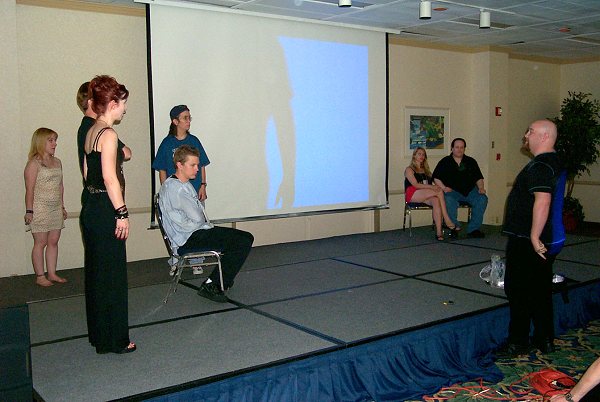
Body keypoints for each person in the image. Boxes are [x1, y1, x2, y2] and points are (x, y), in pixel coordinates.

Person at [497, 119, 565, 357]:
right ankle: (544, 339)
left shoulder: (541, 165)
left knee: (518, 289)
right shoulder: (554, 161)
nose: (526, 135)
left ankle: (518, 341)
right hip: (545, 237)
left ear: (545, 136)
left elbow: (543, 200)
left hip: (528, 239)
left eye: (531, 131)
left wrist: (534, 236)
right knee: (539, 289)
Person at [81, 75, 136, 354]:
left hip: (92, 208)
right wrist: (122, 213)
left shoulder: (91, 131)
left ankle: (100, 336)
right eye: (123, 103)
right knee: (113, 276)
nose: (125, 109)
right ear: (113, 104)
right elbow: (109, 178)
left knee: (97, 275)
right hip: (106, 211)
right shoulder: (109, 134)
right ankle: (116, 340)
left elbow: (86, 173)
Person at [159, 145, 254, 303]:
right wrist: (203, 223)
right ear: (180, 165)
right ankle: (212, 284)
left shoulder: (180, 183)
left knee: (245, 237)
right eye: (193, 165)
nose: (197, 169)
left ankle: (222, 279)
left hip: (194, 232)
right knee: (242, 241)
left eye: (197, 165)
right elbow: (197, 218)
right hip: (188, 237)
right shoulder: (176, 189)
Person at [24, 128, 68, 287]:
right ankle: (40, 276)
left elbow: (60, 186)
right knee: (40, 242)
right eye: (51, 140)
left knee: (53, 241)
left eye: (55, 140)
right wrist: (29, 211)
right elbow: (29, 189)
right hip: (40, 208)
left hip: (55, 208)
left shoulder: (57, 162)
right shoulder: (33, 164)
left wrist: (62, 207)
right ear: (41, 142)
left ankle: (52, 273)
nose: (55, 144)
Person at [432, 138, 488, 238]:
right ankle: (454, 227)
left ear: (464, 149)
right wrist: (444, 188)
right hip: (452, 191)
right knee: (448, 200)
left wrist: (481, 188)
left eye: (462, 147)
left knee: (482, 199)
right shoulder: (445, 161)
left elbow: (478, 178)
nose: (459, 149)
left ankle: (473, 229)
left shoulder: (471, 161)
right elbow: (436, 178)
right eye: (457, 147)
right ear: (452, 148)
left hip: (470, 191)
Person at [153, 105, 210, 201]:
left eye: (189, 118)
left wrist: (203, 185)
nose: (188, 121)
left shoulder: (194, 141)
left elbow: (202, 165)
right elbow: (162, 169)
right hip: (175, 193)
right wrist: (165, 191)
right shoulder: (167, 143)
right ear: (175, 121)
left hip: (195, 191)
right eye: (185, 118)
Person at [404, 147, 458, 241]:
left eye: (423, 154)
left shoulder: (426, 170)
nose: (421, 156)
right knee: (439, 191)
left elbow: (436, 181)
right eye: (419, 154)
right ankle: (447, 219)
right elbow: (416, 185)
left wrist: (444, 187)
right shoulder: (409, 169)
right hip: (413, 193)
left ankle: (439, 232)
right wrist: (433, 187)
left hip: (424, 194)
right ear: (414, 156)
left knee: (436, 201)